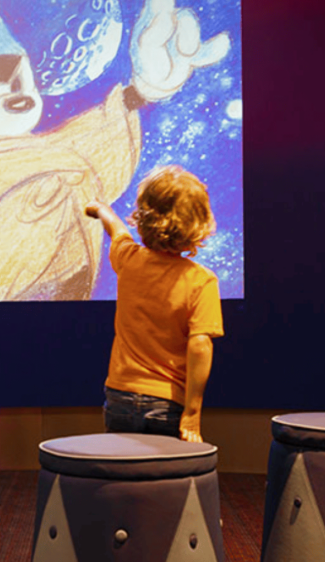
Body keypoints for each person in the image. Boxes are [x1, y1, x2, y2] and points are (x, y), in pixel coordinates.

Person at [85, 165, 224, 443]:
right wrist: (193, 412)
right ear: (198, 223)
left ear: (144, 217)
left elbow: (117, 232)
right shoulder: (201, 281)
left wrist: (102, 210)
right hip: (168, 403)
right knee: (164, 479)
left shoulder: (129, 260)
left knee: (121, 474)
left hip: (119, 396)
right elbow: (199, 346)